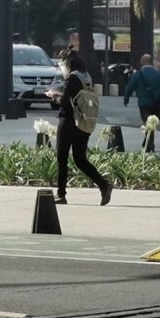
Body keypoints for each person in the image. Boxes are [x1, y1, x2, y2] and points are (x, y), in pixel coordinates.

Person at [49, 48, 112, 206]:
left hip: (69, 120)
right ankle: (103, 185)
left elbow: (65, 102)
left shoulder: (72, 78)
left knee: (62, 157)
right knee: (80, 159)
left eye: (61, 63)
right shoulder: (86, 77)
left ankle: (61, 194)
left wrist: (54, 96)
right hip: (83, 122)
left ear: (67, 63)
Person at [124, 54, 160, 152]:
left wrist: (126, 99)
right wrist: (159, 97)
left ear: (143, 61)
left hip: (144, 104)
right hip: (156, 104)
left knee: (148, 123)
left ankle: (149, 145)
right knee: (151, 124)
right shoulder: (158, 74)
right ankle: (147, 142)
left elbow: (129, 87)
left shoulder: (138, 74)